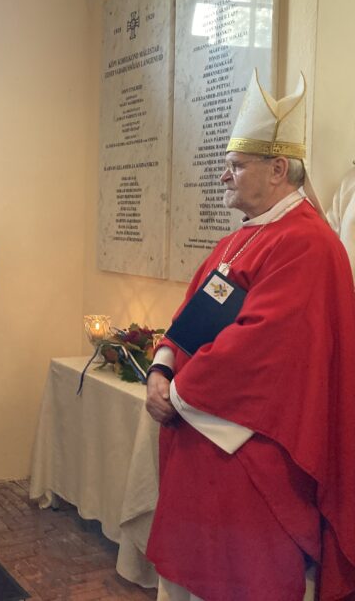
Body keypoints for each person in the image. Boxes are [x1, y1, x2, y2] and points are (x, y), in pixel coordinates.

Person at [144, 72, 355, 601]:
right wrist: (162, 365)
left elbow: (263, 348)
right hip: (205, 441)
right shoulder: (242, 239)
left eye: (237, 165)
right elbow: (193, 314)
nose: (224, 175)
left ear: (278, 169)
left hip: (252, 454)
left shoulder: (307, 243)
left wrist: (179, 392)